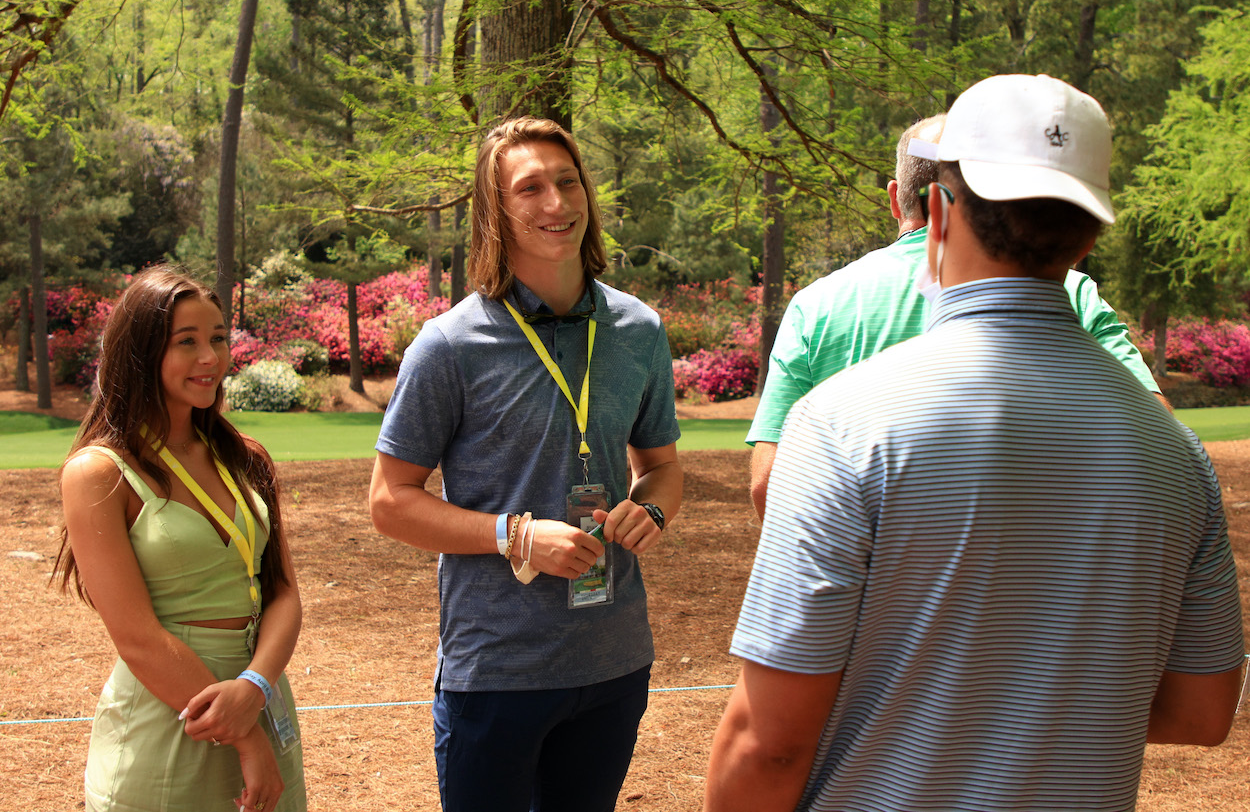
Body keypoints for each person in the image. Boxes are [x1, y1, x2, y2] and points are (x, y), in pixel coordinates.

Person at [704, 74, 1244, 812]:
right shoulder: (1177, 456)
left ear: (936, 212)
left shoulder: (841, 425)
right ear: (1088, 236)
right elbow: (1202, 712)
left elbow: (769, 744)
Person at [369, 116, 683, 812]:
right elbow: (390, 500)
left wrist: (651, 506)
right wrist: (514, 534)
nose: (557, 203)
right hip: (497, 671)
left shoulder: (638, 330)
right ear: (496, 214)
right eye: (531, 188)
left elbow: (662, 465)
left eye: (568, 181)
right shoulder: (449, 345)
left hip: (615, 661)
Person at [747, 113, 1163, 518]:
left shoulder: (816, 304)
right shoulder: (1071, 293)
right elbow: (1156, 437)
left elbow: (769, 483)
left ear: (895, 198)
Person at [55, 264, 306, 812]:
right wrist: (245, 736)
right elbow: (137, 636)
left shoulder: (246, 456)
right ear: (141, 352)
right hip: (170, 718)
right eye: (186, 342)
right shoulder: (100, 473)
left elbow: (283, 592)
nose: (211, 358)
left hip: (259, 695)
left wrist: (255, 688)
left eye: (218, 338)